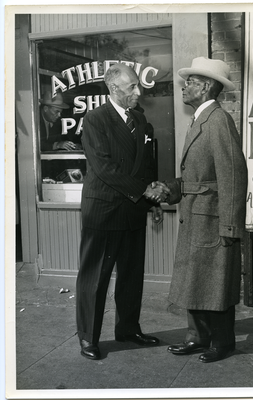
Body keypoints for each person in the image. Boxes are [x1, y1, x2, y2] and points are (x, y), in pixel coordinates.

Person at [76, 63, 169, 360]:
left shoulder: (141, 121)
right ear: (114, 88)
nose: (138, 92)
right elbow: (104, 168)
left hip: (133, 211)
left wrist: (152, 202)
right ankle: (88, 338)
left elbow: (146, 165)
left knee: (131, 276)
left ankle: (128, 330)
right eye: (132, 88)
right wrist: (144, 192)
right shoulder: (95, 120)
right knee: (95, 279)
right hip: (103, 212)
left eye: (137, 86)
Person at [163, 57, 248, 363]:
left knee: (217, 282)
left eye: (191, 82)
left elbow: (234, 176)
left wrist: (230, 226)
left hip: (212, 218)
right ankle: (197, 337)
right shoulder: (201, 119)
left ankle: (223, 343)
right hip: (196, 213)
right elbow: (195, 175)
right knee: (195, 278)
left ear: (207, 87)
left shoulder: (218, 121)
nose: (184, 86)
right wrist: (172, 190)